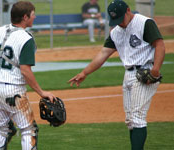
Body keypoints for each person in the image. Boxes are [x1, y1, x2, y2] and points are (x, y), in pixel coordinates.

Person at [69, 0, 165, 149]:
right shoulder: (116, 32)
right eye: (115, 20)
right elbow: (103, 53)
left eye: (121, 19)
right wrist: (84, 72)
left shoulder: (144, 23)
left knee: (138, 118)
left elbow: (159, 45)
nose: (119, 23)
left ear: (128, 10)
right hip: (128, 75)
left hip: (145, 73)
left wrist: (155, 70)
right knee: (130, 121)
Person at [0, 1, 56, 149]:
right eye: (33, 14)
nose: (35, 17)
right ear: (25, 17)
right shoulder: (26, 39)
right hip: (14, 92)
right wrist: (41, 92)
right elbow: (25, 70)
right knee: (29, 130)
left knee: (4, 130)